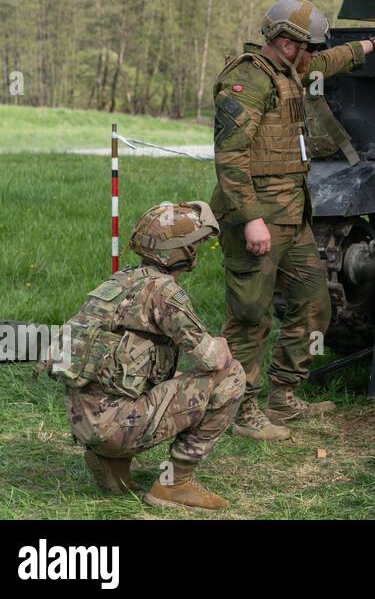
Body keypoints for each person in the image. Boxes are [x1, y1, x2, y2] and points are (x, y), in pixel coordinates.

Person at [212, 0, 375, 439]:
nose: (314, 56)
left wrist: (374, 44)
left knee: (316, 305)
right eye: (309, 48)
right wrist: (249, 219)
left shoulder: (288, 70)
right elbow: (230, 157)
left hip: (293, 216)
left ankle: (283, 397)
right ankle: (240, 412)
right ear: (285, 42)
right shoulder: (247, 80)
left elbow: (330, 61)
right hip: (257, 218)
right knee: (249, 318)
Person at [46, 201, 242, 511]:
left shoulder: (119, 281)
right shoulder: (165, 293)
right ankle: (174, 484)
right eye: (193, 245)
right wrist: (219, 344)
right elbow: (212, 360)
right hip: (114, 425)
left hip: (85, 419)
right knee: (230, 376)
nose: (197, 251)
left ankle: (110, 460)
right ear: (180, 252)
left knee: (162, 377)